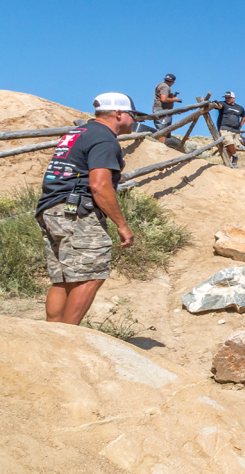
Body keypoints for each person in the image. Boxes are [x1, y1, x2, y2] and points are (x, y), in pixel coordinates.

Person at [36, 93, 137, 326]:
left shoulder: (78, 133)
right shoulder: (104, 139)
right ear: (118, 114)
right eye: (132, 114)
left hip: (51, 207)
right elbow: (99, 185)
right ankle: (69, 337)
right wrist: (122, 225)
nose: (134, 119)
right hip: (76, 211)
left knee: (64, 277)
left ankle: (51, 334)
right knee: (91, 275)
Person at [217, 91, 245, 167]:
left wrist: (240, 125)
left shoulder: (239, 108)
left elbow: (244, 116)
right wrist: (216, 104)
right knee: (229, 143)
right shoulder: (223, 104)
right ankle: (235, 156)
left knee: (233, 146)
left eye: (229, 97)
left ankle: (227, 163)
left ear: (233, 98)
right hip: (225, 128)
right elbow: (219, 106)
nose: (227, 99)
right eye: (226, 97)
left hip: (236, 130)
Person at [152, 73, 179, 144]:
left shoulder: (161, 85)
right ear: (173, 81)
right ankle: (160, 148)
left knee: (164, 130)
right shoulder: (165, 87)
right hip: (163, 110)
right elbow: (164, 99)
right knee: (163, 130)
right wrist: (174, 99)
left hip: (160, 109)